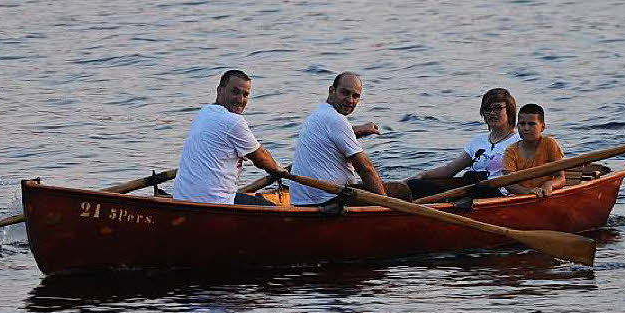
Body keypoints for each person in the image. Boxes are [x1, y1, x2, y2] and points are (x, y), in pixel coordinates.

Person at [289, 72, 403, 206]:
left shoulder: (319, 114)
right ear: (331, 91)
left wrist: (362, 129)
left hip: (303, 200)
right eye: (345, 93)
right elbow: (365, 169)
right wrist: (386, 204)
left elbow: (336, 135)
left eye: (355, 96)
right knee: (401, 190)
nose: (350, 100)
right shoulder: (336, 120)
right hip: (327, 201)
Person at [173, 69, 284, 205]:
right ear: (220, 90)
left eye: (245, 95)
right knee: (272, 209)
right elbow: (261, 158)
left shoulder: (204, 112)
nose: (240, 100)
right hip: (215, 202)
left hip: (183, 198)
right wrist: (279, 170)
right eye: (235, 92)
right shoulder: (233, 121)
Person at [405, 87, 518, 199]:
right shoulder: (478, 141)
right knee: (415, 185)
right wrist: (423, 175)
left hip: (499, 194)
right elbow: (450, 169)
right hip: (471, 189)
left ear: (510, 110)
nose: (492, 113)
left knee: (478, 183)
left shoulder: (519, 141)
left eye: (498, 108)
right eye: (487, 109)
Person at [490, 103, 566, 198]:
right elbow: (509, 184)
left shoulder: (549, 143)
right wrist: (529, 192)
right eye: (522, 124)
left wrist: (550, 184)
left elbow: (561, 178)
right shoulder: (510, 151)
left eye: (531, 124)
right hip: (521, 196)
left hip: (546, 193)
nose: (526, 128)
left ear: (542, 127)